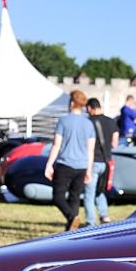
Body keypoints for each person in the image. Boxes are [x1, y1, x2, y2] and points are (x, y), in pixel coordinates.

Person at [44, 90, 95, 231]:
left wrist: (49, 164)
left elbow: (56, 145)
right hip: (82, 165)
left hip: (65, 164)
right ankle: (71, 228)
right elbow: (90, 150)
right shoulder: (89, 124)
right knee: (75, 197)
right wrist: (89, 170)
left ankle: (72, 217)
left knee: (58, 196)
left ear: (72, 103)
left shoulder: (63, 121)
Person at [83, 98, 119, 226]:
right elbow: (115, 144)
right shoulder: (111, 122)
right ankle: (104, 216)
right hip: (107, 161)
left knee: (89, 194)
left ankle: (90, 222)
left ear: (89, 108)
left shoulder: (88, 122)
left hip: (92, 162)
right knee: (100, 190)